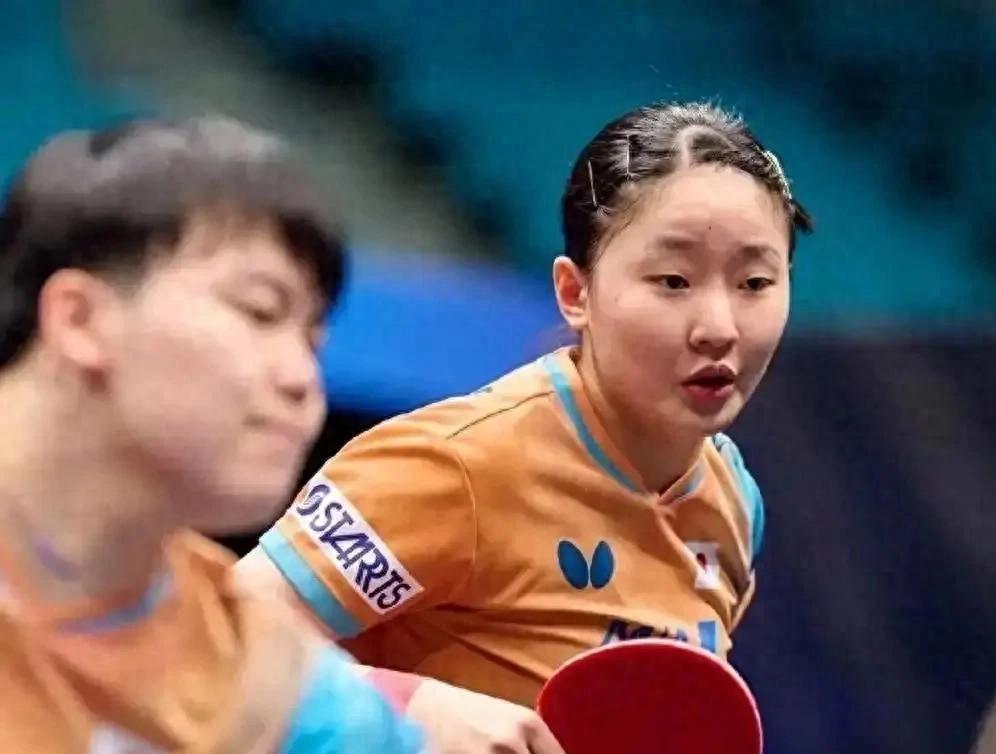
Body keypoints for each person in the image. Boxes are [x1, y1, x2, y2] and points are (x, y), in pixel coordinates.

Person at [236, 101, 812, 754]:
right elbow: (222, 637)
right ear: (575, 294)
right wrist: (407, 706)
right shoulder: (456, 466)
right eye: (673, 280)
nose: (719, 327)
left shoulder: (732, 499)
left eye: (755, 282)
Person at [0, 117, 425, 753]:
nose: (303, 380)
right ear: (79, 319)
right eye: (261, 311)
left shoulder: (286, 698)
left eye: (312, 342)